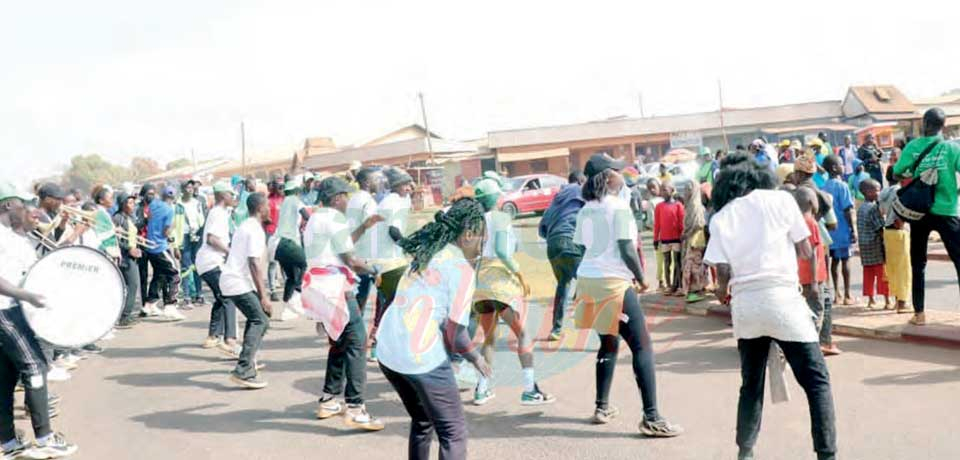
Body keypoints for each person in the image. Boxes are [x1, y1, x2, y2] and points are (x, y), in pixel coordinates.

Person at [703, 155, 837, 460]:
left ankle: (745, 452)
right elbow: (805, 249)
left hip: (747, 307)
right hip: (782, 301)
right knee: (816, 382)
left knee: (751, 384)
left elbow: (722, 277)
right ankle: (827, 455)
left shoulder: (722, 217)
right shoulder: (782, 200)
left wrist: (725, 291)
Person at [572, 153, 682, 436]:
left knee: (608, 343)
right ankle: (652, 417)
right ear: (608, 178)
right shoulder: (619, 207)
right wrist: (642, 278)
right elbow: (625, 247)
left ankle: (602, 406)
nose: (623, 173)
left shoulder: (585, 209)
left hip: (589, 281)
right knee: (642, 346)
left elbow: (582, 249)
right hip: (613, 283)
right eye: (618, 170)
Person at [375, 197, 493, 460]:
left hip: (387, 349)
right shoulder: (462, 270)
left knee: (423, 420)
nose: (483, 245)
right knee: (453, 432)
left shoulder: (427, 252)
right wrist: (476, 358)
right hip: (420, 354)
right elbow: (456, 335)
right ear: (468, 234)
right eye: (482, 239)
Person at [0, 182, 79, 459]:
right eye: (21, 205)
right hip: (3, 310)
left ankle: (8, 443)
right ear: (8, 205)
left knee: (5, 377)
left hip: (12, 308)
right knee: (35, 367)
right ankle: (44, 438)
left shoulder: (12, 236)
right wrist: (27, 296)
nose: (26, 209)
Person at [302, 176, 383, 430]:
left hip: (317, 287)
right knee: (357, 343)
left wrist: (364, 227)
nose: (348, 200)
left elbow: (341, 244)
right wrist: (373, 269)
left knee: (338, 342)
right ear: (337, 198)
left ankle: (328, 399)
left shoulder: (316, 218)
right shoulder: (334, 219)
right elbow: (349, 259)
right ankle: (356, 408)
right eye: (346, 196)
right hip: (334, 288)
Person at [471, 178, 553, 406]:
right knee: (523, 334)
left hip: (481, 282)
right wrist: (519, 274)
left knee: (488, 338)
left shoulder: (477, 221)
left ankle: (482, 388)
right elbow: (502, 251)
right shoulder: (501, 218)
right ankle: (529, 389)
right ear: (496, 198)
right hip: (500, 282)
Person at [892, 107, 960, 326]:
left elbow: (897, 172)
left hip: (919, 211)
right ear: (943, 125)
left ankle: (919, 314)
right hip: (947, 210)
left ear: (925, 123)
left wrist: (914, 173)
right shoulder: (952, 148)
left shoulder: (912, 146)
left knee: (918, 263)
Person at [219, 192, 272, 389]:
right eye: (267, 206)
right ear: (260, 208)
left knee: (259, 320)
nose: (270, 209)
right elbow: (254, 264)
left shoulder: (247, 226)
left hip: (236, 281)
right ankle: (243, 369)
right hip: (236, 282)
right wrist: (264, 296)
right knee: (260, 319)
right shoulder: (254, 230)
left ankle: (248, 362)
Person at [367, 167, 415, 360]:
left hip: (383, 260)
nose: (409, 188)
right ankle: (392, 347)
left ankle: (377, 346)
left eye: (409, 184)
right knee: (402, 302)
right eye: (405, 184)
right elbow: (393, 232)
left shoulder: (394, 200)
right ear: (396, 185)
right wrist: (411, 247)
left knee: (385, 303)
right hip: (390, 262)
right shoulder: (393, 202)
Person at [538, 170, 587, 341]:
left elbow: (542, 228)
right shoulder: (579, 190)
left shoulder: (556, 199)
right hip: (570, 241)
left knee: (563, 284)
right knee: (591, 282)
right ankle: (608, 332)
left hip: (553, 246)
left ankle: (556, 329)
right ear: (581, 180)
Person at [196, 181, 240, 356]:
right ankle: (230, 341)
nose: (234, 197)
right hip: (211, 262)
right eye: (231, 194)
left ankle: (213, 336)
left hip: (210, 262)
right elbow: (211, 239)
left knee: (221, 297)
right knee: (229, 296)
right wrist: (230, 252)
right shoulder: (218, 213)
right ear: (223, 195)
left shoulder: (222, 213)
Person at [793, 187, 830, 351]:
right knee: (816, 312)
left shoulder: (796, 221)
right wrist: (815, 281)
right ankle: (812, 347)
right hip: (813, 278)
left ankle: (817, 343)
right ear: (810, 202)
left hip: (802, 278)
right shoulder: (810, 222)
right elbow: (813, 254)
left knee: (810, 310)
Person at [345, 167, 385, 316]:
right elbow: (370, 223)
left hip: (354, 252)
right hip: (366, 256)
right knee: (367, 299)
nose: (379, 182)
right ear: (367, 182)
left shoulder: (353, 198)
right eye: (376, 179)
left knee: (357, 300)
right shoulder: (368, 201)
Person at [272, 176, 311, 322]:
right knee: (303, 265)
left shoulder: (284, 203)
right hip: (290, 242)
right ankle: (296, 299)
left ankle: (287, 308)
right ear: (296, 191)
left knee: (291, 277)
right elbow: (306, 215)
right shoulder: (295, 200)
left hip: (278, 244)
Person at [143, 186, 185, 321]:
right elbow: (165, 232)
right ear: (173, 198)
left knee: (159, 275)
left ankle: (149, 304)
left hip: (150, 246)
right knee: (175, 273)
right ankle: (170, 306)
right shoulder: (169, 210)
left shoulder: (153, 204)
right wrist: (172, 227)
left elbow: (148, 218)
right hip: (160, 247)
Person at [821, 155, 857, 308]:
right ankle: (848, 293)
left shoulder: (823, 187)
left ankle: (836, 293)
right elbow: (848, 209)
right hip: (842, 229)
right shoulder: (842, 186)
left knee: (834, 262)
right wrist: (853, 229)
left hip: (830, 231)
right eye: (841, 164)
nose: (844, 166)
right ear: (835, 168)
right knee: (846, 261)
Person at [878, 182, 911, 314]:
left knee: (893, 269)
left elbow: (882, 211)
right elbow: (900, 212)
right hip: (898, 230)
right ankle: (902, 303)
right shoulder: (900, 191)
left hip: (888, 231)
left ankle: (897, 300)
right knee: (903, 269)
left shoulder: (885, 192)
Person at [857, 179, 889, 309]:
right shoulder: (873, 208)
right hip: (875, 245)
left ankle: (871, 299)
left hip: (864, 246)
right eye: (877, 190)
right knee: (882, 274)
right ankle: (887, 300)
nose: (879, 193)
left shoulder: (861, 208)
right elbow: (880, 228)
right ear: (868, 192)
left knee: (868, 273)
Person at [112, 192, 143, 328]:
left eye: (133, 202)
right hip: (125, 257)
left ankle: (125, 315)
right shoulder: (117, 218)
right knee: (132, 285)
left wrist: (138, 241)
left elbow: (130, 234)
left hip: (132, 255)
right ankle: (125, 316)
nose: (133, 205)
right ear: (122, 204)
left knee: (131, 286)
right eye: (129, 203)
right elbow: (115, 240)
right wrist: (129, 249)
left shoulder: (130, 217)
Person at [174, 181, 206, 306]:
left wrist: (200, 232)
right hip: (184, 236)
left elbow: (201, 218)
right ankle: (187, 295)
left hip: (196, 234)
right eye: (188, 187)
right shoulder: (178, 204)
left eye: (192, 187)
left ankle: (199, 294)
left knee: (197, 265)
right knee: (186, 266)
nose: (190, 189)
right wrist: (176, 244)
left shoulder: (197, 203)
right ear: (183, 189)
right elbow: (175, 223)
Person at [653, 182, 684, 295]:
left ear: (672, 190)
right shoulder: (659, 206)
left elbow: (681, 223)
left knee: (678, 262)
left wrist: (682, 236)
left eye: (665, 190)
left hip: (676, 238)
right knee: (667, 262)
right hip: (664, 239)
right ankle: (669, 285)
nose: (663, 192)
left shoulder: (678, 205)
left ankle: (679, 285)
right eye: (662, 190)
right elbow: (657, 224)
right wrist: (655, 239)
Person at [680, 180, 708, 303]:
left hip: (696, 240)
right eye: (686, 189)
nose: (687, 192)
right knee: (690, 265)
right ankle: (693, 291)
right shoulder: (690, 206)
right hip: (691, 240)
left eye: (689, 189)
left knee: (693, 266)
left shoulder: (696, 207)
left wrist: (686, 233)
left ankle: (695, 290)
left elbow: (698, 224)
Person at [135, 183, 157, 312]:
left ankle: (152, 300)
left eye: (153, 194)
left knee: (160, 274)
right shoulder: (137, 209)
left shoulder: (156, 207)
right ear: (143, 195)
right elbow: (135, 225)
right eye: (149, 194)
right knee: (143, 276)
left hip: (154, 244)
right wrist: (145, 220)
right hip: (142, 244)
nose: (151, 196)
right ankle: (144, 304)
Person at [645, 179, 667, 289]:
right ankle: (666, 280)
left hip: (658, 235)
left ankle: (662, 281)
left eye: (653, 187)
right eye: (650, 188)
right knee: (668, 258)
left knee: (660, 258)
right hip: (668, 234)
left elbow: (651, 222)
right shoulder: (665, 199)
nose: (652, 189)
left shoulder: (651, 202)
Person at [265, 176, 284, 302]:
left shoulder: (284, 200)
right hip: (272, 233)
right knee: (272, 263)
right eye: (280, 187)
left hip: (284, 233)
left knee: (285, 262)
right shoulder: (269, 201)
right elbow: (264, 217)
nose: (282, 189)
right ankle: (272, 290)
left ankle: (289, 287)